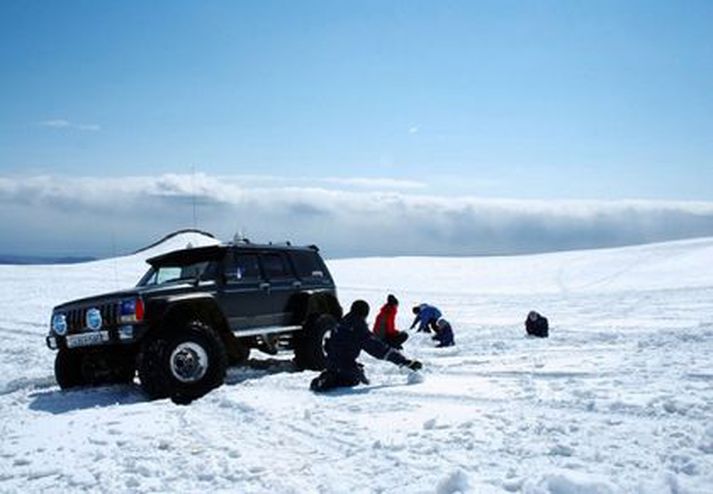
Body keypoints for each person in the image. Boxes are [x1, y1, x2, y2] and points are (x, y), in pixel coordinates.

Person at [310, 300, 423, 392]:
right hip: (344, 365)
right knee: (355, 380)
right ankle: (330, 380)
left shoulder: (341, 323)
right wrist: (403, 361)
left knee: (355, 372)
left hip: (331, 363)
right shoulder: (358, 328)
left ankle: (328, 376)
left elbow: (328, 345)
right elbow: (378, 349)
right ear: (364, 314)